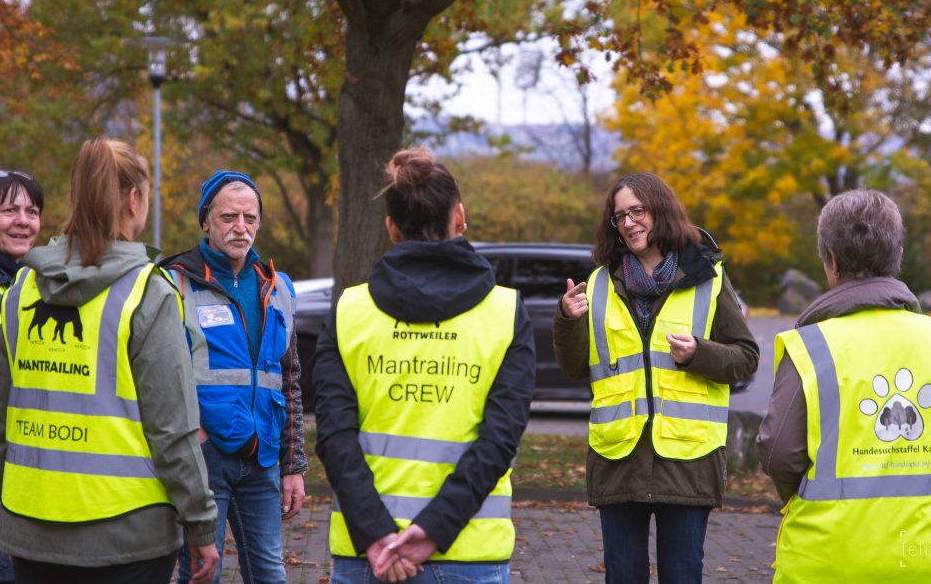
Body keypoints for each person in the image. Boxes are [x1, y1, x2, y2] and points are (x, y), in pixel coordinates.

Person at [0, 138, 219, 584]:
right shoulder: (147, 293)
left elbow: (0, 419)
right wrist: (201, 524)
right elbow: (173, 431)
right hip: (129, 539)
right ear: (134, 200)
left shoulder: (22, 290)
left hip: (32, 530)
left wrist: (7, 511)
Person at [314, 147, 535, 583]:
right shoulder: (506, 312)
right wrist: (432, 531)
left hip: (368, 554)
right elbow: (499, 441)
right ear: (460, 216)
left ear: (391, 228)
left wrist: (377, 535)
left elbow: (335, 437)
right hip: (468, 551)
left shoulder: (348, 312)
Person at [756, 189, 931, 582]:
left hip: (825, 560)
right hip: (925, 560)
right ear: (898, 254)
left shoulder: (811, 347)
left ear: (830, 259)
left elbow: (779, 454)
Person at [554, 172, 758, 584]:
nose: (628, 223)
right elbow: (575, 367)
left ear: (660, 211)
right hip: (618, 459)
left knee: (682, 575)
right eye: (619, 216)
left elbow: (745, 358)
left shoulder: (709, 277)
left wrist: (700, 354)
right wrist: (567, 320)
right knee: (623, 577)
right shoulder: (598, 283)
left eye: (637, 211)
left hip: (688, 461)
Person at [163, 170, 307, 584]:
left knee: (270, 573)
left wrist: (293, 465)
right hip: (201, 459)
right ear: (205, 221)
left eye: (250, 217)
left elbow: (289, 380)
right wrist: (192, 438)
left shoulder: (278, 288)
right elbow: (160, 377)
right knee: (202, 573)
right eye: (228, 217)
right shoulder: (174, 282)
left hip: (262, 458)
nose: (240, 227)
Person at [0, 170, 44, 584]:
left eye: (32, 211)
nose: (23, 221)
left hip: (16, 495)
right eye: (9, 210)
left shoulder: (23, 285)